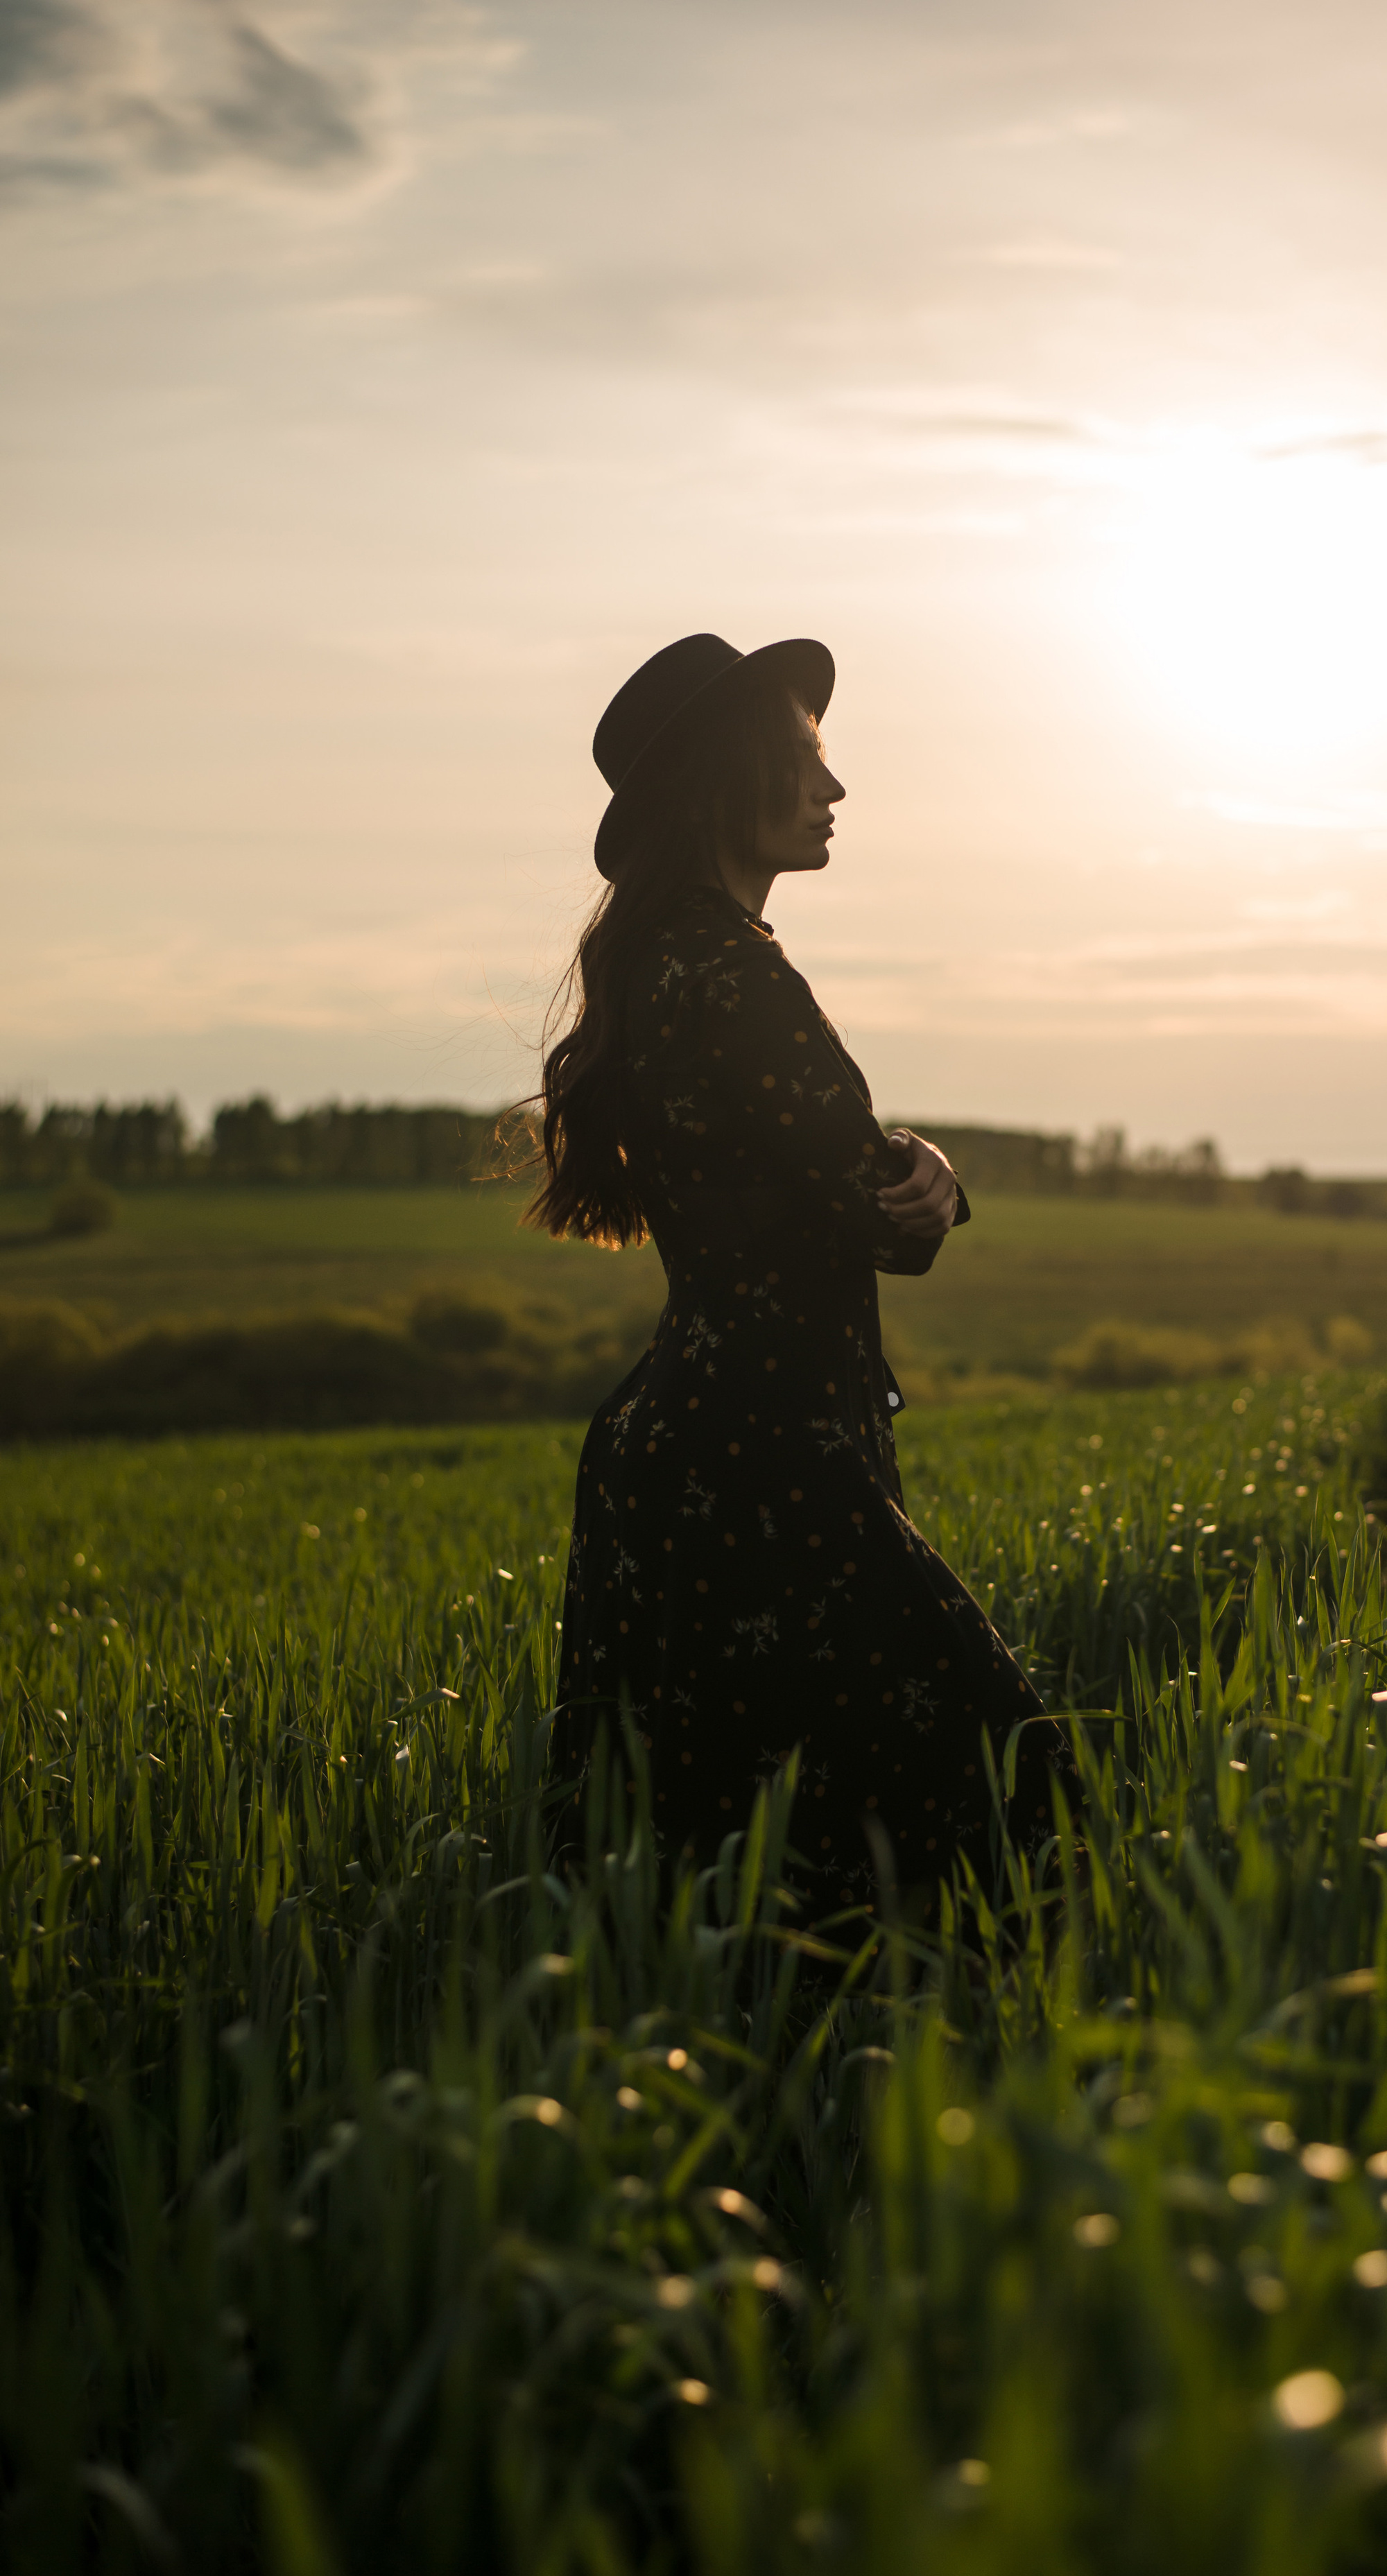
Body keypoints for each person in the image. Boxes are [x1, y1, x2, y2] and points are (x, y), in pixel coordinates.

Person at [528, 632, 1074, 1906]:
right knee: (1007, 1811)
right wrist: (929, 1176)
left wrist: (913, 1159)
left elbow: (825, 1167)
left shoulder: (663, 964)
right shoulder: (733, 973)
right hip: (771, 1461)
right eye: (809, 761)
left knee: (710, 1865)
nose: (834, 791)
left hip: (693, 1449)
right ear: (735, 779)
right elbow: (887, 1217)